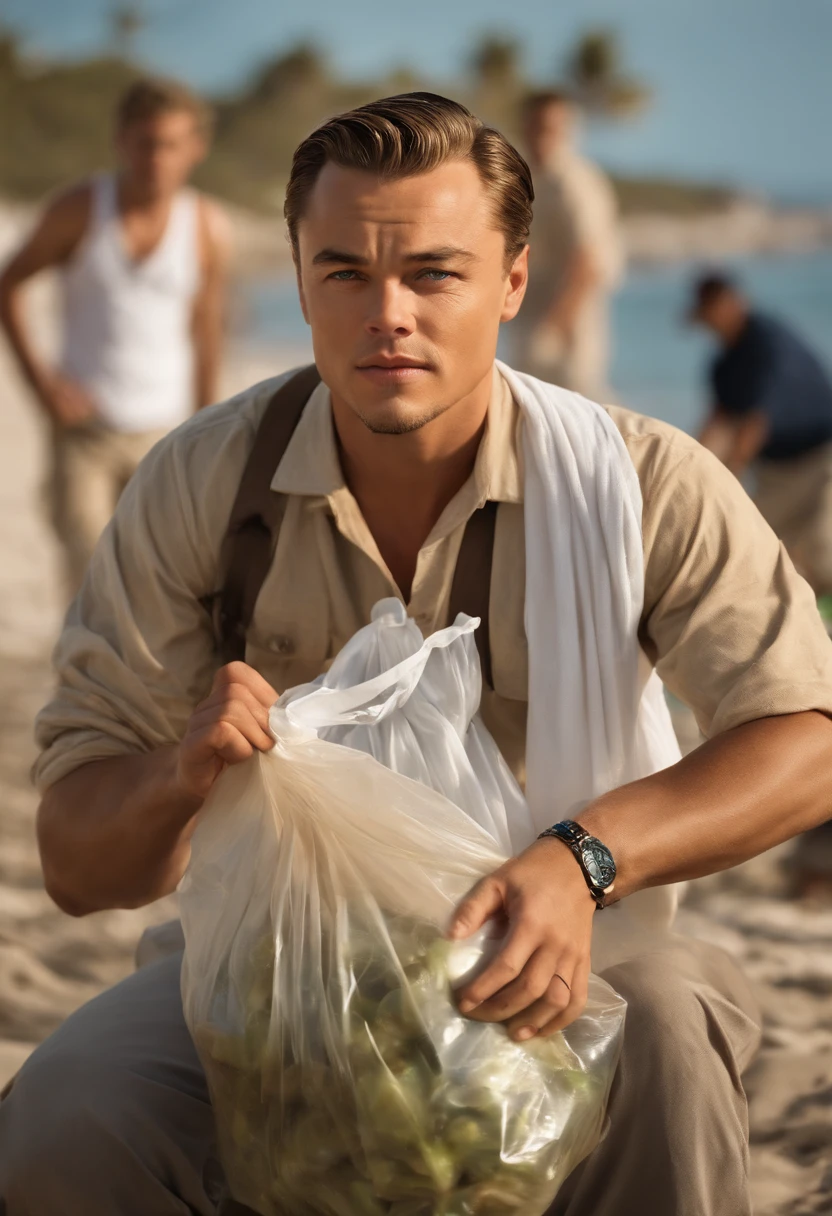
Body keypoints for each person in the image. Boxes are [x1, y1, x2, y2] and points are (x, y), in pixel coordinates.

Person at [2, 92, 832, 1216]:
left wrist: (583, 859)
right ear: (297, 282)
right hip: (273, 966)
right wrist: (177, 774)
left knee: (676, 1048)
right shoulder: (202, 485)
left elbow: (806, 741)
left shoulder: (637, 482)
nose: (386, 313)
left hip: (583, 942)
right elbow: (76, 862)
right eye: (343, 272)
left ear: (514, 283)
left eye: (434, 273)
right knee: (63, 1119)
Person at [0, 76, 232, 594]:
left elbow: (208, 329)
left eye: (171, 144)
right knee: (89, 577)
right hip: (85, 431)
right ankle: (83, 675)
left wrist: (209, 425)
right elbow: (8, 284)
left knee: (158, 582)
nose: (157, 158)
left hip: (165, 431)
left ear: (195, 148)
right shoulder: (81, 209)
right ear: (122, 141)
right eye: (146, 143)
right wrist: (42, 386)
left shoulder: (207, 225)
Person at [692, 270, 832, 897]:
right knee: (773, 576)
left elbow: (752, 429)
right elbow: (716, 425)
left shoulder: (768, 342)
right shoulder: (723, 366)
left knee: (823, 559)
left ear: (732, 304)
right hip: (780, 475)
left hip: (822, 457)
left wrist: (724, 480)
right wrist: (687, 478)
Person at [513, 89, 624, 398]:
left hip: (571, 321)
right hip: (531, 313)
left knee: (583, 411)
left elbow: (588, 262)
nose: (543, 135)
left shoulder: (575, 182)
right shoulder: (528, 178)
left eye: (553, 127)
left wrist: (555, 326)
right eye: (536, 125)